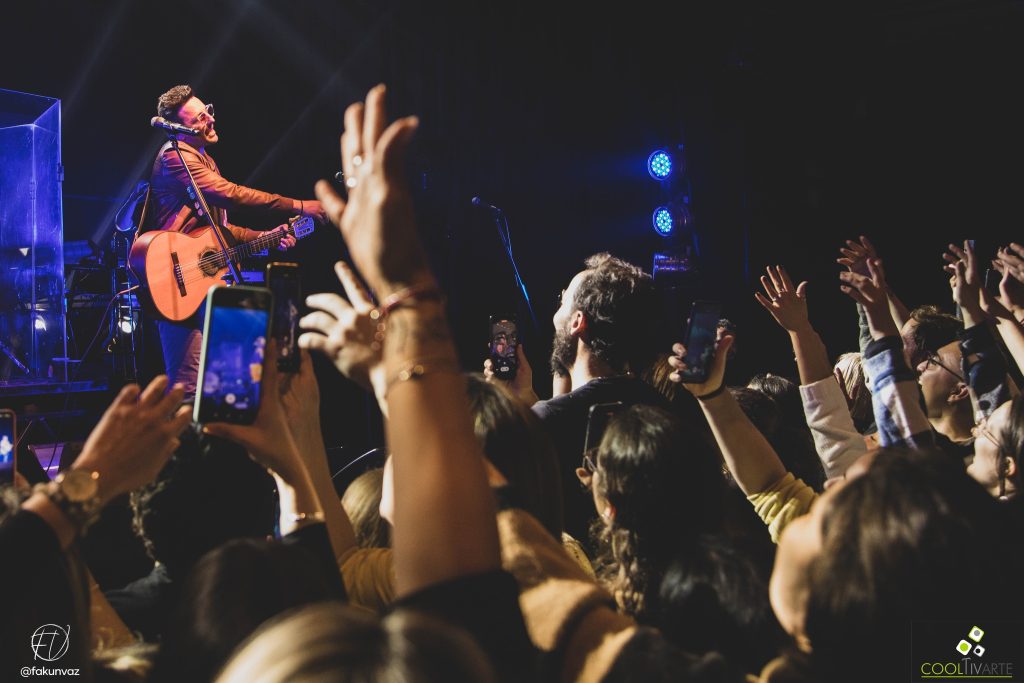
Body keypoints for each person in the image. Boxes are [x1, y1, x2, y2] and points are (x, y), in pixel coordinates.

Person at [147, 84, 326, 397]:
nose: (211, 120)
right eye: (200, 119)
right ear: (180, 129)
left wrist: (266, 238)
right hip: (176, 282)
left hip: (205, 283)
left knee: (227, 385)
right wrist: (298, 205)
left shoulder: (204, 159)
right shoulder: (175, 158)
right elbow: (232, 195)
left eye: (208, 111)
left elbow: (222, 231)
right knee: (189, 392)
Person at [491, 254, 665, 545]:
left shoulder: (545, 422)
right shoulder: (660, 408)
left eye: (563, 300)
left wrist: (508, 407)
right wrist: (529, 400)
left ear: (577, 322)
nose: (555, 311)